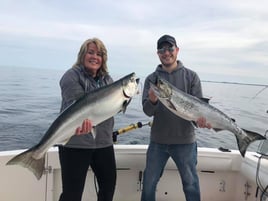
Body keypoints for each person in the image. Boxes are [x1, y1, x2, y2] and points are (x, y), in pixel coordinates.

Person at [141, 34, 211, 201]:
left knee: (191, 184)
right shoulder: (151, 79)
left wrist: (201, 121)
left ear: (177, 50)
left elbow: (198, 111)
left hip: (185, 142)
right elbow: (147, 111)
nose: (166, 53)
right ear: (157, 53)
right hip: (158, 141)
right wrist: (152, 100)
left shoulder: (191, 77)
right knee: (149, 183)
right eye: (162, 50)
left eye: (170, 48)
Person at [58, 38, 116, 201]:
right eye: (91, 52)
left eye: (99, 54)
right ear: (82, 55)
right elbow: (77, 107)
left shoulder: (108, 80)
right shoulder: (71, 76)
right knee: (72, 195)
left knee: (108, 190)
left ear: (103, 59)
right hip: (75, 143)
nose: (95, 57)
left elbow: (112, 107)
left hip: (103, 143)